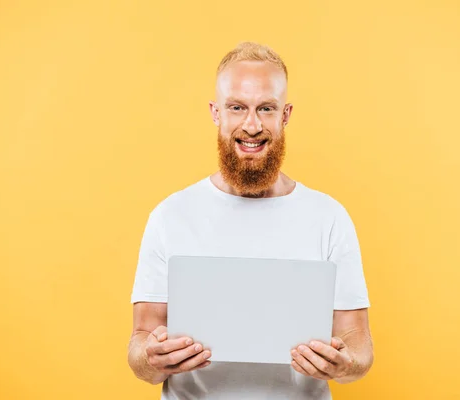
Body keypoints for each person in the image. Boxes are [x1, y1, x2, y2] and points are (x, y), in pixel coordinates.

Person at [127, 41, 374, 400]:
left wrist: (345, 363)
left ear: (285, 115)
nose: (252, 125)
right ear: (216, 113)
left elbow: (358, 342)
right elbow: (141, 343)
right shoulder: (170, 216)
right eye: (237, 107)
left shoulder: (329, 217)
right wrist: (151, 358)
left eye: (266, 108)